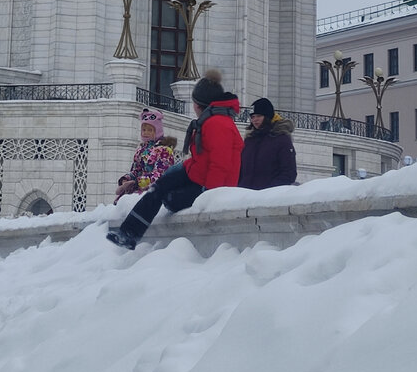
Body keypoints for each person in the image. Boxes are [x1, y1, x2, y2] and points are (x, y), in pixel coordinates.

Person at [107, 69, 243, 250]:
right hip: (198, 173)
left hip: (210, 184)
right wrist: (179, 170)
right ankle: (129, 233)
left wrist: (210, 194)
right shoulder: (211, 120)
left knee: (170, 199)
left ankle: (130, 233)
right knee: (159, 187)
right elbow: (203, 157)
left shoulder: (216, 124)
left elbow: (221, 164)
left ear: (198, 104)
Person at [113, 108, 177, 203]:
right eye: (144, 130)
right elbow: (136, 170)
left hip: (154, 191)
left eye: (150, 130)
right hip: (136, 190)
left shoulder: (164, 150)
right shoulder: (141, 150)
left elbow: (160, 174)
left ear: (158, 131)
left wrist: (137, 183)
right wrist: (127, 179)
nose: (146, 133)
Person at [238, 97, 297, 189]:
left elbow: (288, 172)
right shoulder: (249, 140)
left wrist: (270, 191)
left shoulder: (281, 139)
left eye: (259, 116)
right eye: (252, 117)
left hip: (268, 197)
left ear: (267, 116)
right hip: (246, 195)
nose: (255, 120)